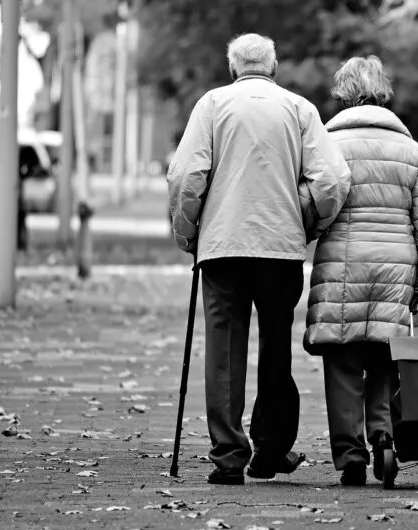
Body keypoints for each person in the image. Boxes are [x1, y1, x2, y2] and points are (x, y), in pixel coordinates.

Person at [168, 33, 351, 485]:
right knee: (275, 346)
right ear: (273, 67)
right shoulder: (299, 109)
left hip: (223, 248)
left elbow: (186, 174)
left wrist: (188, 233)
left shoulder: (212, 105)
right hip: (279, 247)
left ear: (234, 68)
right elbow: (332, 179)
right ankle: (269, 448)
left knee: (224, 351)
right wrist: (308, 221)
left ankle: (229, 454)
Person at [303, 56, 418, 486]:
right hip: (394, 264)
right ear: (382, 91)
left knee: (343, 357)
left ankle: (350, 456)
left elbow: (313, 205)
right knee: (385, 354)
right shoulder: (410, 149)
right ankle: (383, 438)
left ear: (343, 92)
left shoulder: (327, 142)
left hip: (342, 263)